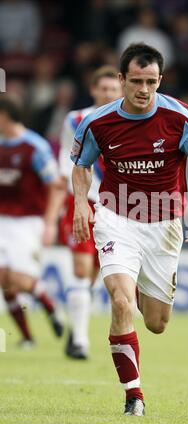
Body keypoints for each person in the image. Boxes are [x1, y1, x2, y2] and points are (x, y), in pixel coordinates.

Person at [71, 43, 188, 416]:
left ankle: (137, 282)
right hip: (115, 218)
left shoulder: (181, 118)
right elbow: (81, 166)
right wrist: (79, 205)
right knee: (120, 302)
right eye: (135, 81)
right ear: (121, 79)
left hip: (164, 223)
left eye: (151, 81)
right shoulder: (97, 122)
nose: (143, 89)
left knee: (156, 323)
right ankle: (133, 396)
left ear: (160, 80)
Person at [55, 66, 122, 359]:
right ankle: (81, 340)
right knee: (81, 270)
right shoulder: (75, 119)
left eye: (113, 89)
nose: (108, 93)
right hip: (82, 200)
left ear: (120, 91)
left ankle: (76, 325)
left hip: (116, 206)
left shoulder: (128, 119)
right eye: (103, 89)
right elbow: (65, 161)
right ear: (93, 89)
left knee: (96, 275)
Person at [0, 98, 63, 347]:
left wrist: (50, 223)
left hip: (28, 221)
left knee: (17, 279)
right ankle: (27, 337)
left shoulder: (34, 146)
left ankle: (50, 306)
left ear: (5, 115)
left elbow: (56, 187)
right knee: (3, 279)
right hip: (2, 219)